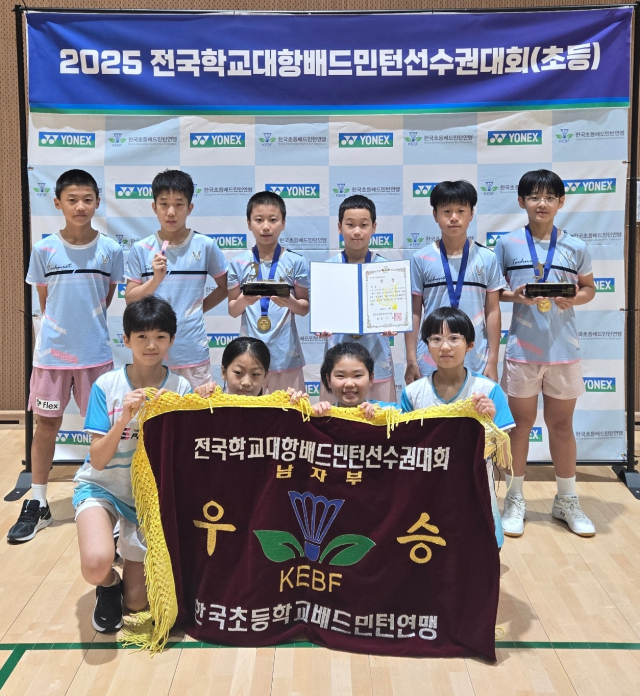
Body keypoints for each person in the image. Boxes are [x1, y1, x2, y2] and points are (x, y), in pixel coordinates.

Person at [8, 169, 124, 544]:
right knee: (46, 427)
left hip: (95, 355)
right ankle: (39, 501)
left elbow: (106, 297)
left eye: (87, 199)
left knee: (103, 431)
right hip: (51, 358)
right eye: (72, 200)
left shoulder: (111, 249)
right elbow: (45, 300)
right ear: (58, 203)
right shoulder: (43, 250)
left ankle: (107, 501)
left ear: (97, 202)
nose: (80, 206)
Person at [72, 296, 191, 633]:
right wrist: (124, 417)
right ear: (125, 340)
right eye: (141, 336)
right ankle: (109, 584)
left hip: (148, 499)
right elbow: (97, 460)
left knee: (137, 603)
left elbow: (183, 455)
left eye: (160, 336)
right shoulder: (106, 386)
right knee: (95, 564)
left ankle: (129, 569)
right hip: (103, 488)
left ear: (171, 339)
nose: (151, 345)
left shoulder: (180, 388)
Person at [495, 169, 596, 538]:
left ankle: (566, 500)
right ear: (521, 201)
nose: (542, 203)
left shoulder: (576, 246)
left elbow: (589, 289)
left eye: (550, 197)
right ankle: (515, 498)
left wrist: (574, 298)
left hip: (563, 350)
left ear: (561, 202)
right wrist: (517, 296)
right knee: (519, 426)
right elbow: (497, 292)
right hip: (522, 350)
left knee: (561, 426)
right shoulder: (506, 244)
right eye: (534, 197)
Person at [401, 307, 513, 549]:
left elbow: (502, 450)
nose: (445, 347)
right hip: (427, 488)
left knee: (480, 550)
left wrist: (489, 421)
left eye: (454, 338)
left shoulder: (488, 390)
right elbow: (404, 446)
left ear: (470, 345)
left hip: (474, 487)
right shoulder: (412, 393)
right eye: (436, 339)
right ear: (426, 345)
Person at [124, 169, 228, 389]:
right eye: (164, 204)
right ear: (154, 207)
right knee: (153, 409)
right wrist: (155, 280)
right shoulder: (141, 248)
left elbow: (225, 286)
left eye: (179, 204)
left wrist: (196, 308)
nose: (171, 212)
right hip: (151, 353)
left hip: (191, 350)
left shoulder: (205, 245)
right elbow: (130, 300)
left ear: (190, 208)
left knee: (198, 408)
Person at [405, 180, 505, 386]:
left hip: (476, 355)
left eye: (461, 211)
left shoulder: (487, 258)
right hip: (431, 355)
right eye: (446, 211)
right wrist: (411, 359)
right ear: (435, 215)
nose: (454, 217)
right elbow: (414, 312)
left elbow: (493, 311)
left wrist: (493, 360)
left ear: (471, 214)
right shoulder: (421, 258)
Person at [315, 194, 397, 403]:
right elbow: (322, 312)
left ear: (374, 227)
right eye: (350, 225)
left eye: (364, 225)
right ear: (339, 227)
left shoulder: (387, 269)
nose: (357, 231)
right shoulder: (327, 270)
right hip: (337, 360)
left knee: (382, 417)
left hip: (377, 357)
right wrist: (321, 325)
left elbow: (393, 310)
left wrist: (392, 323)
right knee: (332, 418)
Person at [226, 191, 309, 393]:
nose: (266, 226)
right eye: (258, 220)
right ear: (248, 223)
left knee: (289, 410)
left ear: (283, 223)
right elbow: (233, 310)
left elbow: (304, 307)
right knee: (249, 410)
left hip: (286, 355)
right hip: (249, 357)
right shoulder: (238, 263)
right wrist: (244, 300)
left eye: (273, 220)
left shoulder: (296, 261)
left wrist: (289, 302)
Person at [195, 336, 305, 405]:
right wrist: (200, 402)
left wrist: (297, 410)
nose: (246, 382)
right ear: (224, 372)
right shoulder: (209, 406)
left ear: (265, 376)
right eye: (238, 373)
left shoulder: (278, 412)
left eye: (255, 374)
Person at [314, 342, 401, 418]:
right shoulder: (323, 416)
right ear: (329, 380)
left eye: (357, 375)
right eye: (340, 376)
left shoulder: (392, 411)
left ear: (371, 378)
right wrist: (313, 418)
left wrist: (381, 417)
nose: (349, 384)